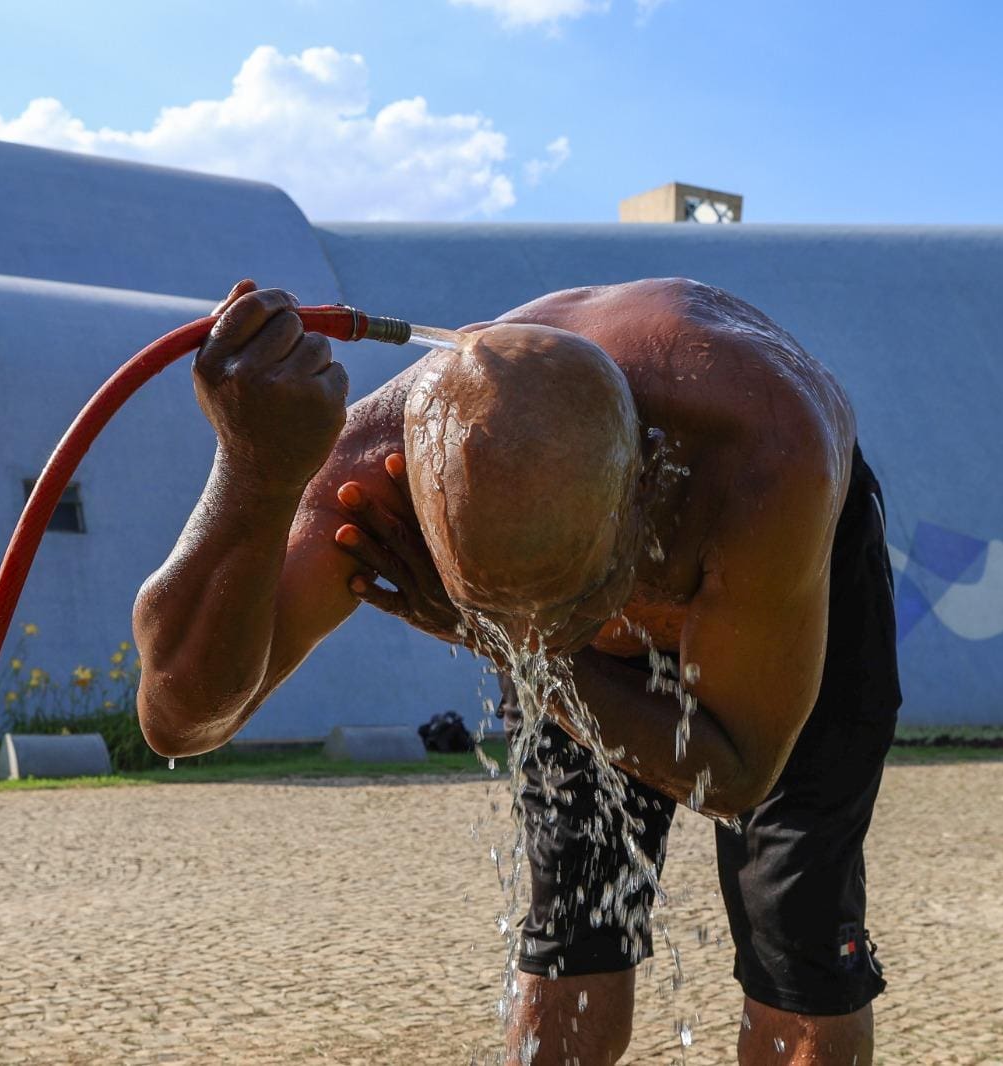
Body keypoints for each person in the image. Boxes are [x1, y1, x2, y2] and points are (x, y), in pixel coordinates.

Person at [132, 278, 901, 1065]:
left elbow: (738, 774)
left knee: (798, 923)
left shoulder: (765, 459)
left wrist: (495, 637)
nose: (535, 640)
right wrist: (254, 476)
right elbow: (179, 720)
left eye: (573, 608)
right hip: (533, 603)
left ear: (644, 486)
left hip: (794, 592)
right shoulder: (376, 467)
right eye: (501, 612)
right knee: (571, 924)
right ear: (431, 521)